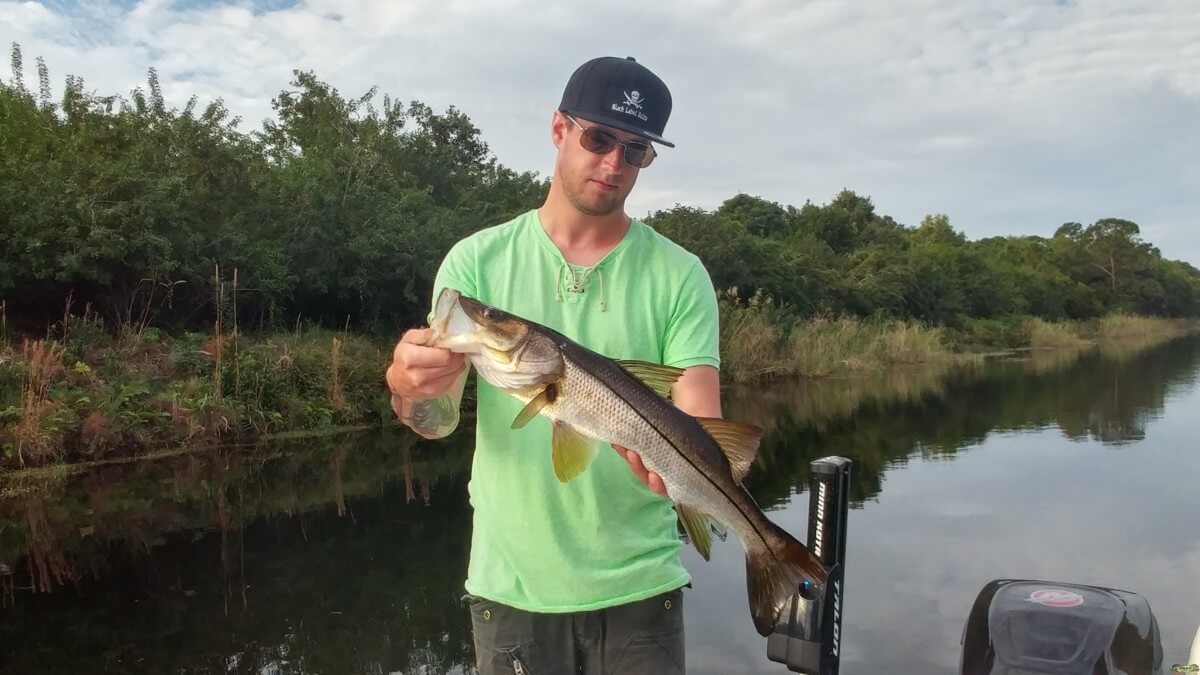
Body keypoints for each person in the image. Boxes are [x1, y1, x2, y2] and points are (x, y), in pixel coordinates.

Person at [385, 55, 722, 674]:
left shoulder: (682, 274)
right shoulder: (474, 263)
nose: (613, 163)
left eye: (635, 150)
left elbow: (699, 413)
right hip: (511, 591)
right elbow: (433, 423)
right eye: (598, 138)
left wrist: (685, 479)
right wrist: (408, 388)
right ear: (559, 128)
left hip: (642, 589)